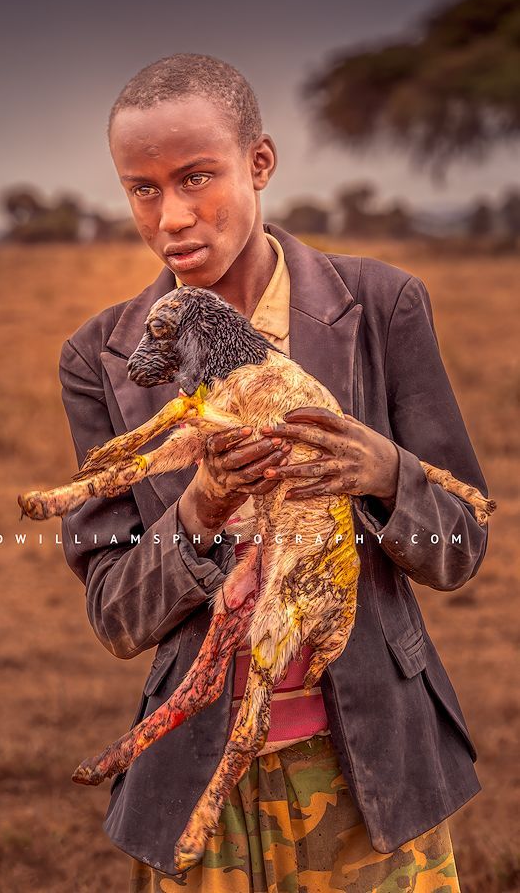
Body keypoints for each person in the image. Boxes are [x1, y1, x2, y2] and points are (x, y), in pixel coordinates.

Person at [58, 54, 488, 892]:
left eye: (196, 177)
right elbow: (116, 616)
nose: (172, 215)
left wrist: (385, 470)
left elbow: (458, 546)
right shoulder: (103, 359)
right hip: (201, 791)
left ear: (261, 163)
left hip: (375, 776)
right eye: (142, 188)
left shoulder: (382, 306)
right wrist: (199, 507)